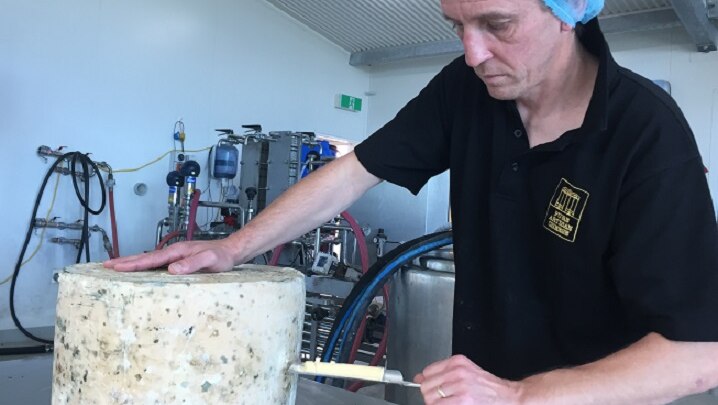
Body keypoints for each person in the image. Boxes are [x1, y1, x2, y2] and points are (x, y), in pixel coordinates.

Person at [106, 0, 718, 403]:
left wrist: (522, 396)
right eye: (458, 26)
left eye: (497, 24)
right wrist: (232, 248)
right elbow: (353, 173)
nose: (473, 53)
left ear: (568, 10)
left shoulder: (646, 134)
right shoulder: (467, 92)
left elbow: (699, 356)